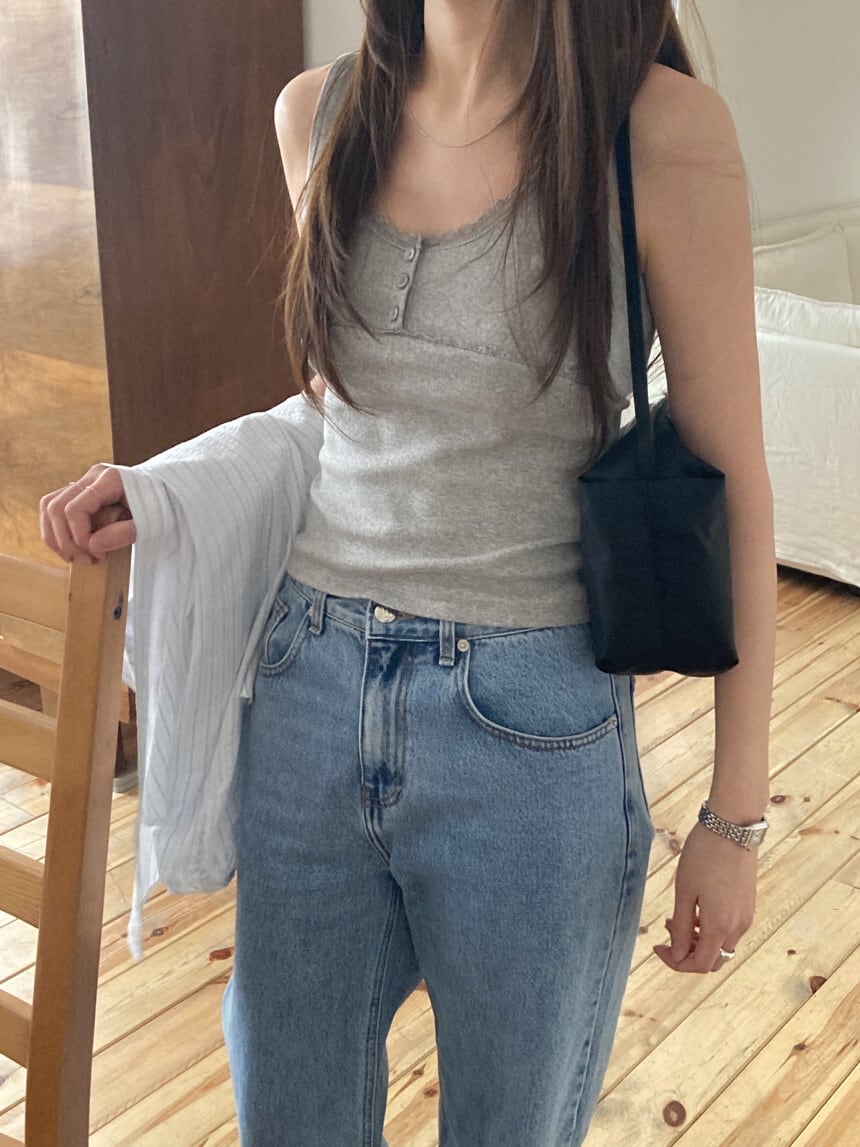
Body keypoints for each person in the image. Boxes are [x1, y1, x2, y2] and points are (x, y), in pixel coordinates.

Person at [40, 1, 777, 1143]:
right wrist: (171, 486)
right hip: (308, 692)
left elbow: (735, 485)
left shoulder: (658, 132)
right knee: (289, 1116)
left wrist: (733, 818)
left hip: (526, 729)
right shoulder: (318, 114)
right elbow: (343, 409)